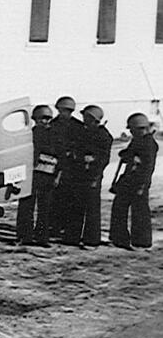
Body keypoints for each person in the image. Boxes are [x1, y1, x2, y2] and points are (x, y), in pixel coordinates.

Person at [67, 105, 113, 248]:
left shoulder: (103, 136)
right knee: (76, 206)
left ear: (94, 119)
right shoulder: (83, 132)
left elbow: (103, 159)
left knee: (92, 209)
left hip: (93, 175)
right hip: (79, 174)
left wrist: (95, 172)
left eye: (87, 117)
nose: (84, 119)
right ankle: (73, 237)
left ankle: (92, 239)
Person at [109, 113, 157, 250]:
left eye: (132, 130)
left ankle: (141, 241)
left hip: (138, 181)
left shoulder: (148, 144)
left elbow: (148, 167)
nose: (131, 132)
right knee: (120, 206)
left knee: (139, 211)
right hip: (129, 179)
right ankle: (120, 238)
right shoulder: (138, 141)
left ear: (139, 129)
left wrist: (142, 185)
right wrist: (126, 155)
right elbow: (129, 153)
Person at [16, 104, 58, 246]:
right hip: (30, 174)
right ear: (35, 119)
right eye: (42, 118)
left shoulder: (54, 136)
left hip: (47, 175)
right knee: (26, 206)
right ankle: (24, 235)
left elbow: (61, 155)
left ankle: (42, 237)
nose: (44, 121)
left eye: (47, 119)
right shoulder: (29, 134)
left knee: (45, 208)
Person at [49, 96, 84, 242]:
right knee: (55, 198)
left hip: (72, 168)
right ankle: (55, 227)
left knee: (70, 199)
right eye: (63, 110)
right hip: (55, 165)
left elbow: (82, 146)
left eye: (68, 111)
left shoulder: (78, 126)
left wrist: (73, 154)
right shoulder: (53, 124)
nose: (65, 113)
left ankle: (67, 229)